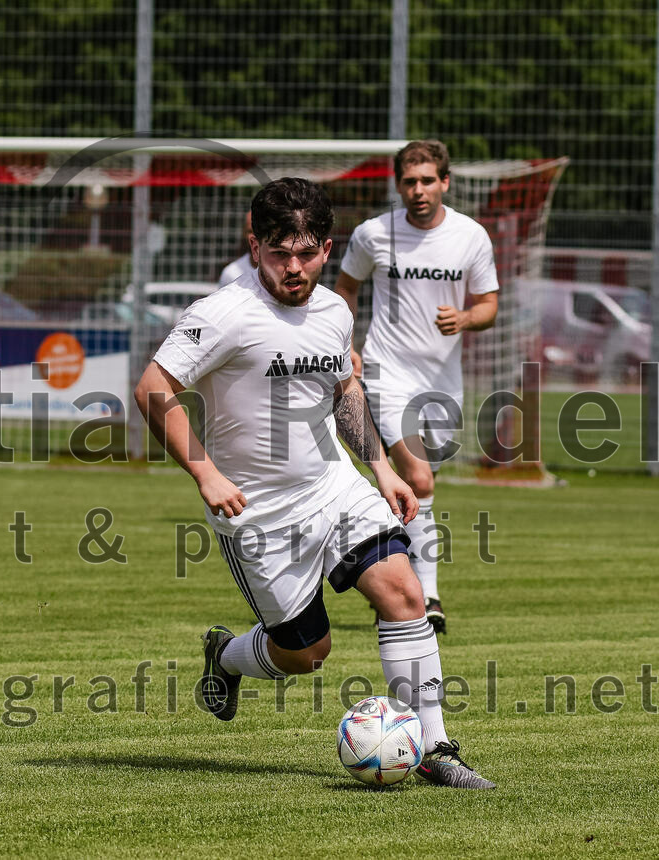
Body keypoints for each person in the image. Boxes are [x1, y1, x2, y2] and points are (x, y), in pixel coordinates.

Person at [135, 177, 495, 789]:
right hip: (258, 511)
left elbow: (344, 388)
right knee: (306, 653)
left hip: (335, 487)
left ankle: (436, 748)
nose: (292, 268)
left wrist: (380, 467)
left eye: (305, 253)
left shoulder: (334, 310)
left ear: (327, 248)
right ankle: (227, 656)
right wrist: (205, 472)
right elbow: (152, 388)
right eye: (278, 253)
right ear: (255, 246)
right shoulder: (223, 313)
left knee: (405, 594)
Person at [334, 140, 498, 635]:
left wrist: (464, 318)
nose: (419, 190)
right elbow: (346, 287)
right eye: (410, 182)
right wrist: (347, 343)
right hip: (388, 371)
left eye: (428, 180)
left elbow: (489, 304)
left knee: (415, 490)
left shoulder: (470, 236)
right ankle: (427, 596)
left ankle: (387, 574)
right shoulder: (373, 234)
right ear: (398, 185)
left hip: (443, 381)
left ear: (445, 182)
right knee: (420, 479)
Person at [217, 211, 256, 287]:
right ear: (244, 233)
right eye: (251, 231)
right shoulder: (231, 274)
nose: (255, 237)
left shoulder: (278, 272)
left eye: (259, 231)